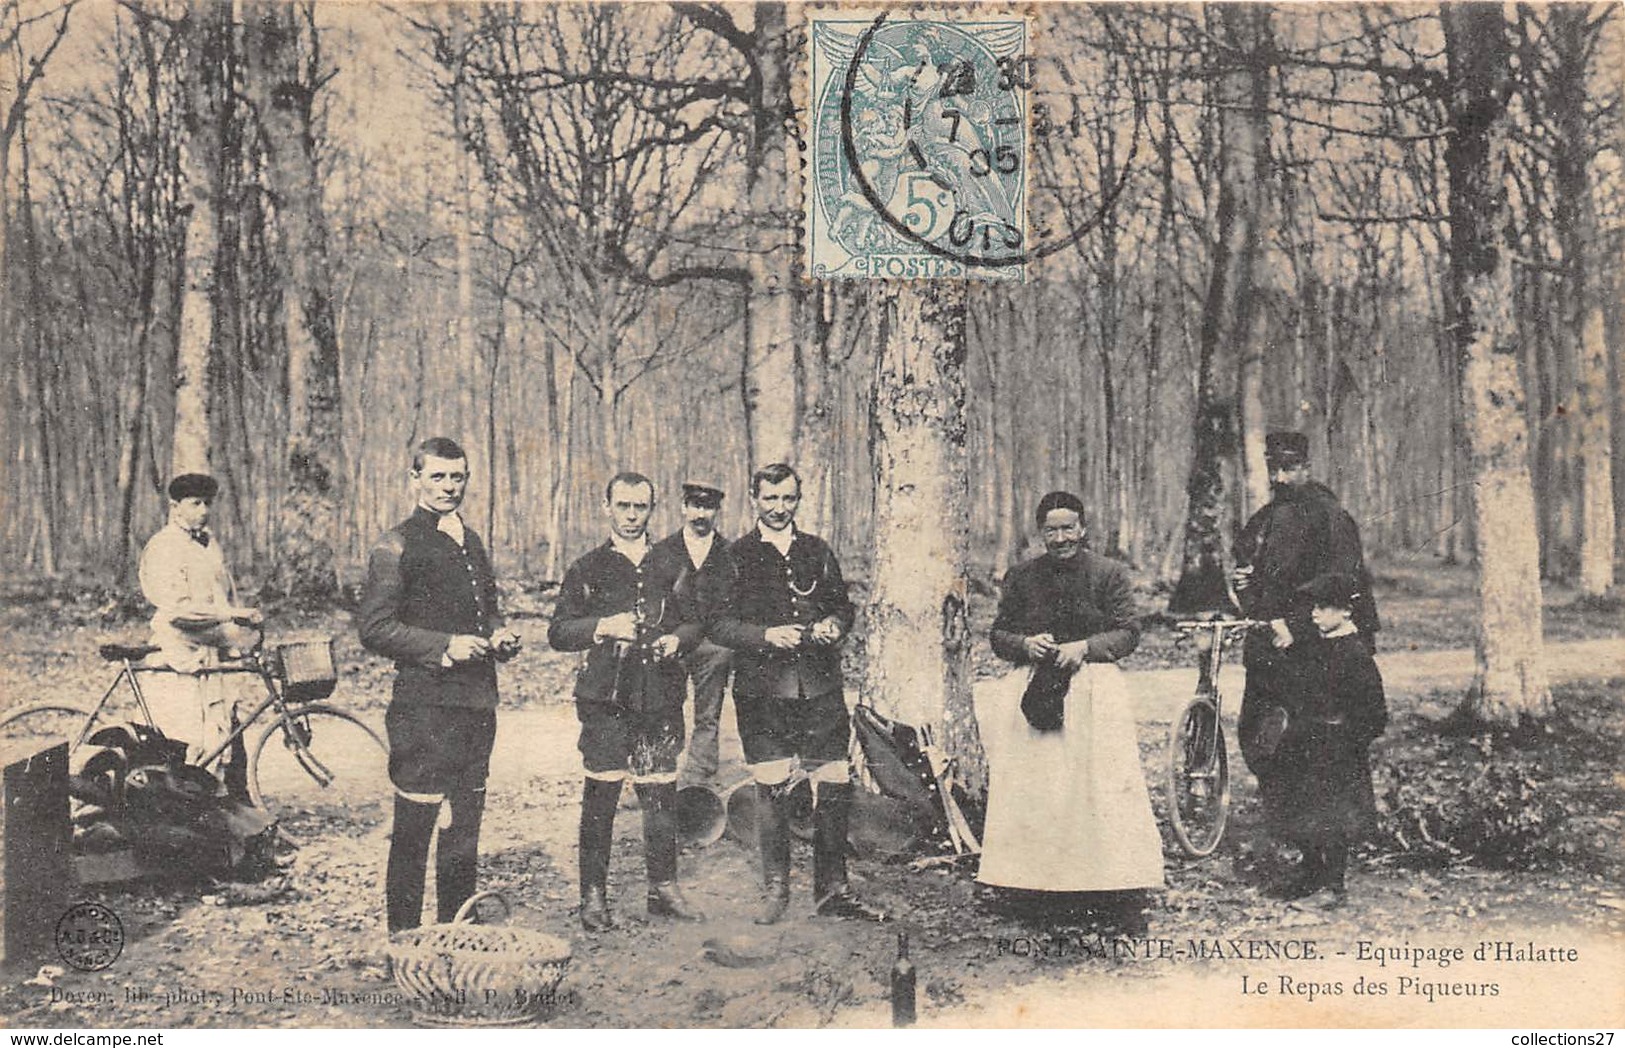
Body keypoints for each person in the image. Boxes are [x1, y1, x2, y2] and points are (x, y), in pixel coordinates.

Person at [978, 490, 1162, 934]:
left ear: (1082, 529)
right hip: (1036, 689)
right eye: (1051, 530)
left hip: (1092, 691)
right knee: (1040, 790)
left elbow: (1128, 633)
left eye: (1068, 528)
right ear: (1040, 533)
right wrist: (1025, 644)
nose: (1060, 538)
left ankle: (1108, 889)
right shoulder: (1021, 577)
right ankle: (1035, 888)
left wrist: (1087, 647)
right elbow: (999, 633)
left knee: (1099, 788)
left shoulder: (1109, 573)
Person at [358, 437, 521, 933]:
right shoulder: (396, 544)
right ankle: (404, 942)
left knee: (463, 830)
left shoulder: (470, 540)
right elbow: (375, 629)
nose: (449, 487)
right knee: (415, 831)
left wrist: (498, 634)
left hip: (476, 705)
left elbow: (485, 609)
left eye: (457, 477)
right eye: (438, 477)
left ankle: (455, 934)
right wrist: (445, 646)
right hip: (424, 709)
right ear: (416, 480)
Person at [712, 463, 886, 924]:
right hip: (762, 692)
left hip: (821, 687)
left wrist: (834, 624)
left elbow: (842, 607)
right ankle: (775, 890)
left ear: (798, 499)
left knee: (832, 783)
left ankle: (833, 890)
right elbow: (719, 624)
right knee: (772, 787)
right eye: (770, 499)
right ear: (754, 500)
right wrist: (766, 636)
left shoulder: (817, 551)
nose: (779, 508)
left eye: (788, 498)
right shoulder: (735, 556)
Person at [548, 472, 707, 931]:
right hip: (605, 698)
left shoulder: (673, 564)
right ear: (607, 506)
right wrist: (601, 627)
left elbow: (698, 623)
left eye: (641, 507)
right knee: (602, 792)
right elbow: (558, 632)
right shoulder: (586, 568)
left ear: (652, 509)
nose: (632, 516)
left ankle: (663, 888)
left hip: (660, 695)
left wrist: (678, 642)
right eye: (624, 506)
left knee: (660, 791)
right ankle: (593, 897)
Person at [1230, 431, 1380, 888]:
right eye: (1273, 466)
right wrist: (1243, 587)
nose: (1280, 475)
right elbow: (1252, 582)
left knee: (1318, 757)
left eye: (1289, 466)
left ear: (1307, 466)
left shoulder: (1329, 516)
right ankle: (1304, 857)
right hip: (1270, 656)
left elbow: (1341, 586)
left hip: (1315, 657)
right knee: (1265, 744)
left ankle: (1325, 870)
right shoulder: (1265, 519)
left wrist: (1294, 627)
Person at [1253, 572, 1387, 907]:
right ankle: (1310, 874)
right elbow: (1297, 686)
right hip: (1304, 741)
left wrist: (1345, 742)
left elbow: (1374, 714)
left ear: (1345, 612)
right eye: (1314, 606)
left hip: (1335, 749)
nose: (1314, 613)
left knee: (1331, 817)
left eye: (1324, 607)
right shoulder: (1319, 645)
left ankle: (1333, 885)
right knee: (1298, 810)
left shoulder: (1355, 654)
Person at [138, 472, 263, 791]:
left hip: (213, 648)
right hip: (180, 652)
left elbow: (225, 593)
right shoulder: (164, 546)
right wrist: (232, 614)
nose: (204, 510)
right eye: (195, 503)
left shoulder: (209, 543)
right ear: (175, 506)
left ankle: (238, 810)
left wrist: (240, 623)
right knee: (184, 740)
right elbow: (178, 609)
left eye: (208, 503)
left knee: (228, 736)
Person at [654, 482, 735, 787]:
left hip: (711, 647)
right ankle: (662, 780)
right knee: (666, 709)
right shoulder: (662, 551)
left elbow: (727, 608)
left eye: (708, 507)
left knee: (708, 717)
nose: (701, 514)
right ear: (683, 507)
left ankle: (697, 787)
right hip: (671, 645)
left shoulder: (729, 554)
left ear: (717, 511)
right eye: (695, 506)